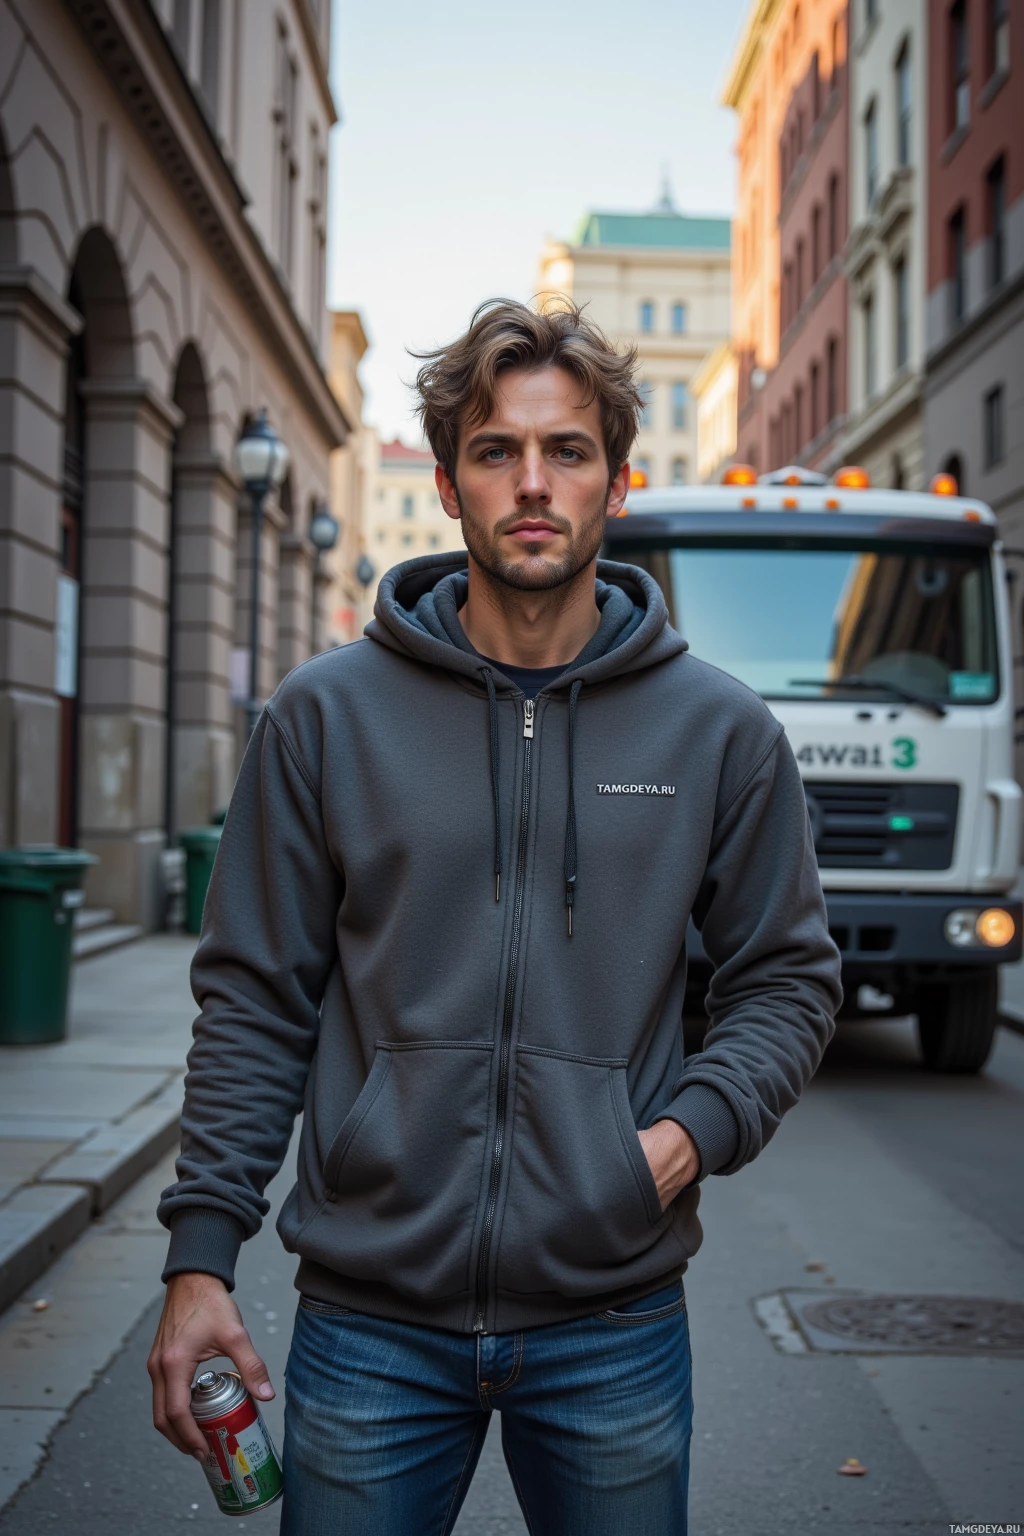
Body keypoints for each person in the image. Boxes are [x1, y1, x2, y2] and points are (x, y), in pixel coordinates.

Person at [149, 299, 841, 1535]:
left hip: (614, 1322)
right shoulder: (324, 720)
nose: (533, 483)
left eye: (567, 451)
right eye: (495, 451)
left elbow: (787, 979)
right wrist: (200, 1257)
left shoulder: (721, 731)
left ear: (614, 484)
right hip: (369, 1325)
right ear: (450, 478)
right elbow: (255, 998)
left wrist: (674, 1144)